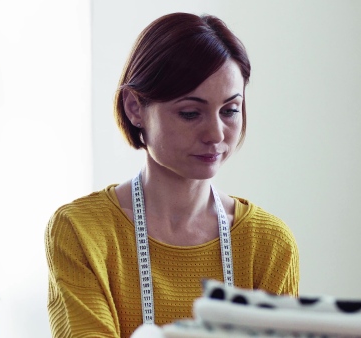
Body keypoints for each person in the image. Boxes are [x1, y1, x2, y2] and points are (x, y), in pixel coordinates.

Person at [44, 12, 300, 338]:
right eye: (190, 113)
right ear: (135, 108)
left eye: (230, 110)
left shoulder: (269, 244)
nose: (216, 134)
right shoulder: (81, 232)